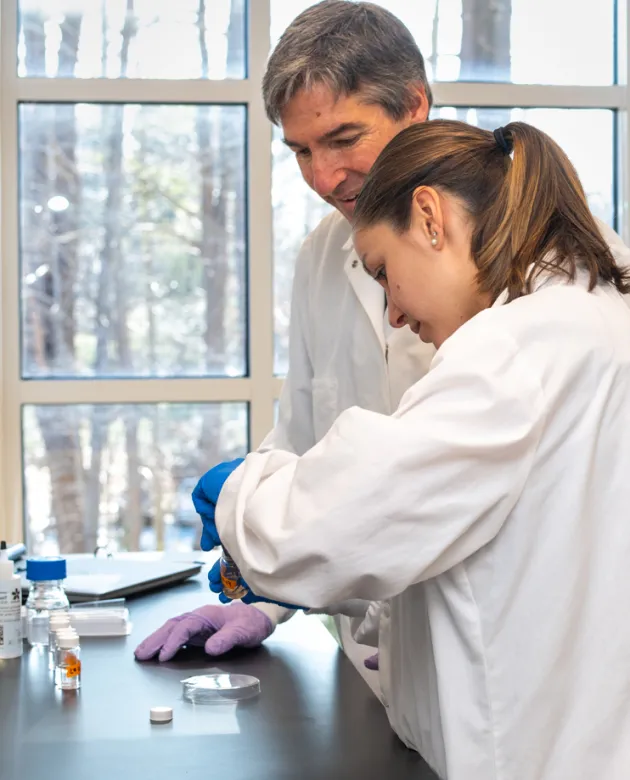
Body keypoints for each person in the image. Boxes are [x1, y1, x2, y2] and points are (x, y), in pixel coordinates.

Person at [134, 1, 630, 674]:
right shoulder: (320, 257)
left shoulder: (553, 287)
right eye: (301, 151)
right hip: (382, 672)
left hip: (509, 666)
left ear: (414, 105)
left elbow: (385, 495)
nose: (321, 178)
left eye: (342, 139)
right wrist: (265, 594)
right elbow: (309, 448)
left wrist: (259, 517)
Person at [202, 120, 630, 779]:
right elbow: (526, 552)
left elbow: (327, 528)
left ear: (429, 217)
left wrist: (239, 496)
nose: (394, 313)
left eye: (383, 272)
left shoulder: (512, 352)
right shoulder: (596, 315)